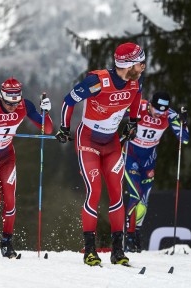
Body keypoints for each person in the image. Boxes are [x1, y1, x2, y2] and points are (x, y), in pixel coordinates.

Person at [55, 42, 146, 266]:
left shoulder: (135, 82)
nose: (143, 66)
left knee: (117, 194)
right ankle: (89, 251)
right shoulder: (98, 82)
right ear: (128, 64)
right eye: (139, 62)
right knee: (94, 192)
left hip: (112, 143)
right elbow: (69, 101)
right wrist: (64, 128)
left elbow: (135, 98)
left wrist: (132, 122)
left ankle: (117, 251)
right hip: (88, 141)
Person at [0, 77, 53, 259]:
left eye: (16, 103)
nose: (13, 107)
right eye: (8, 103)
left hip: (7, 158)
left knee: (10, 202)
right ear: (1, 97)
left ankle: (6, 242)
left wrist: (45, 113)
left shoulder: (25, 105)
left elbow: (48, 129)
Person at [123, 91, 189, 252]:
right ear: (150, 104)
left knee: (144, 201)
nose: (159, 115)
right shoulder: (139, 106)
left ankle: (136, 232)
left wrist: (183, 123)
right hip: (130, 156)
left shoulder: (169, 115)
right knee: (135, 194)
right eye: (157, 111)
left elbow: (185, 139)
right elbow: (115, 112)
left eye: (163, 112)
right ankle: (127, 235)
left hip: (149, 160)